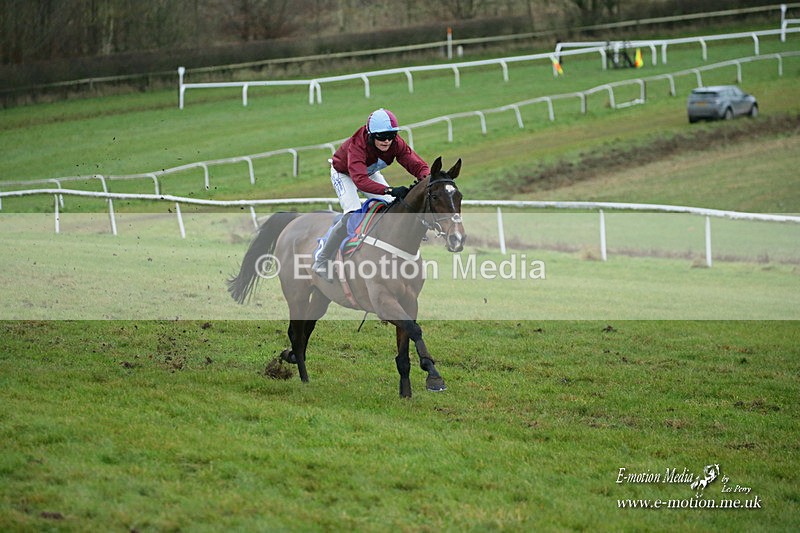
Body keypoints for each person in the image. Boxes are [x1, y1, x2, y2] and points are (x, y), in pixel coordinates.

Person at [312, 108, 430, 280]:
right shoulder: (357, 145)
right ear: (370, 135)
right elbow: (359, 180)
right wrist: (390, 190)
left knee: (395, 206)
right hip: (344, 173)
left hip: (369, 170)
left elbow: (418, 165)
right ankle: (321, 258)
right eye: (382, 136)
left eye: (391, 135)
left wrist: (427, 180)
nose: (387, 140)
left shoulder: (396, 143)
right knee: (352, 215)